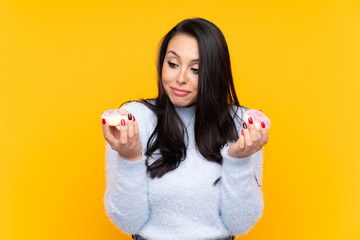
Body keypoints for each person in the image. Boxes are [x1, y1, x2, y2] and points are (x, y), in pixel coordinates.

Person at [101, 18, 269, 240]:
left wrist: (238, 161)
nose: (180, 78)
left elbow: (239, 224)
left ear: (214, 73)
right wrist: (129, 158)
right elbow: (128, 221)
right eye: (172, 64)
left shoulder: (240, 123)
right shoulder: (134, 119)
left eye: (196, 69)